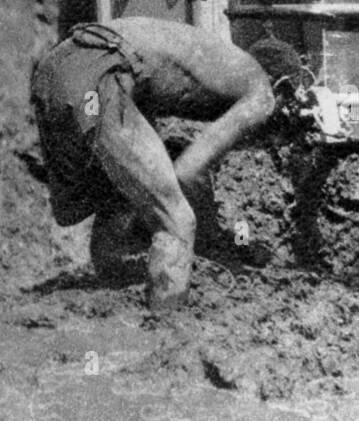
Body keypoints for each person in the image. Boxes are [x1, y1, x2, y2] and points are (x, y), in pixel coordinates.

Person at [30, 18, 275, 311]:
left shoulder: (220, 62)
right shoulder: (262, 90)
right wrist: (213, 240)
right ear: (282, 83)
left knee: (120, 195)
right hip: (100, 76)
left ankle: (113, 302)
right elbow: (188, 170)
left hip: (55, 69)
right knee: (177, 222)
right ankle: (168, 332)